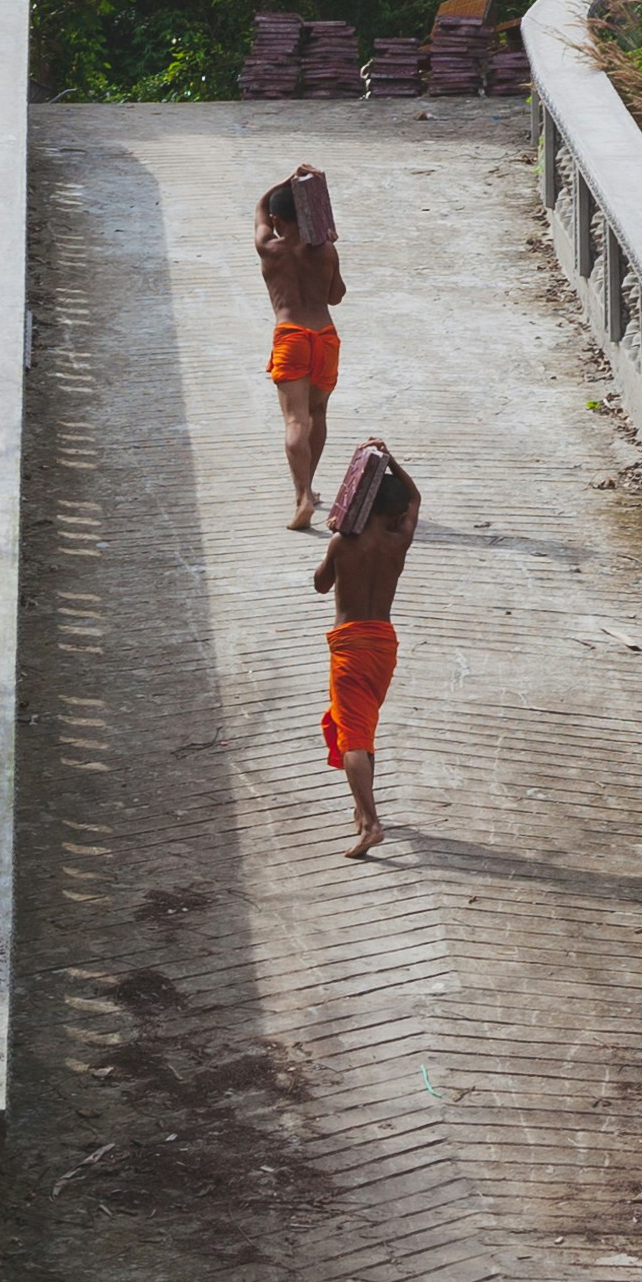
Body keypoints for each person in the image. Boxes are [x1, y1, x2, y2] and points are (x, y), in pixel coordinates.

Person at [308, 439, 420, 858]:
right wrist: (390, 460)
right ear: (394, 513)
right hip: (383, 645)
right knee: (362, 726)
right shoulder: (400, 541)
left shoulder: (343, 544)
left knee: (353, 735)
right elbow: (415, 498)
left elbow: (321, 585)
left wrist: (333, 547)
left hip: (349, 645)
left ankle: (371, 822)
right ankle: (361, 811)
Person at [256, 163, 344, 531]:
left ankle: (302, 496)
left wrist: (288, 181)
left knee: (295, 420)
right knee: (317, 415)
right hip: (324, 335)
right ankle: (310, 486)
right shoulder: (324, 251)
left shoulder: (268, 248)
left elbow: (259, 210)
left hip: (291, 334)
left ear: (278, 219)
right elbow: (336, 296)